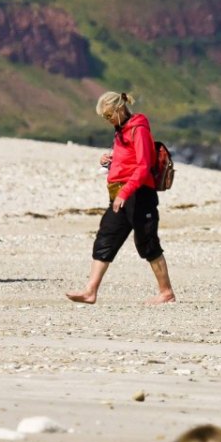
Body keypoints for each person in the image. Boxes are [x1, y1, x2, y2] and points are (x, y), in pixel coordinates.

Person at [66, 92, 175, 305]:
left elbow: (143, 166)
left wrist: (125, 193)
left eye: (108, 116)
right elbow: (127, 159)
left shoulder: (138, 128)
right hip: (119, 194)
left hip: (139, 194)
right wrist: (108, 159)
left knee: (147, 242)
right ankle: (90, 291)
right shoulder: (121, 130)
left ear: (118, 110)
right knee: (106, 237)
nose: (107, 120)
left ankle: (166, 292)